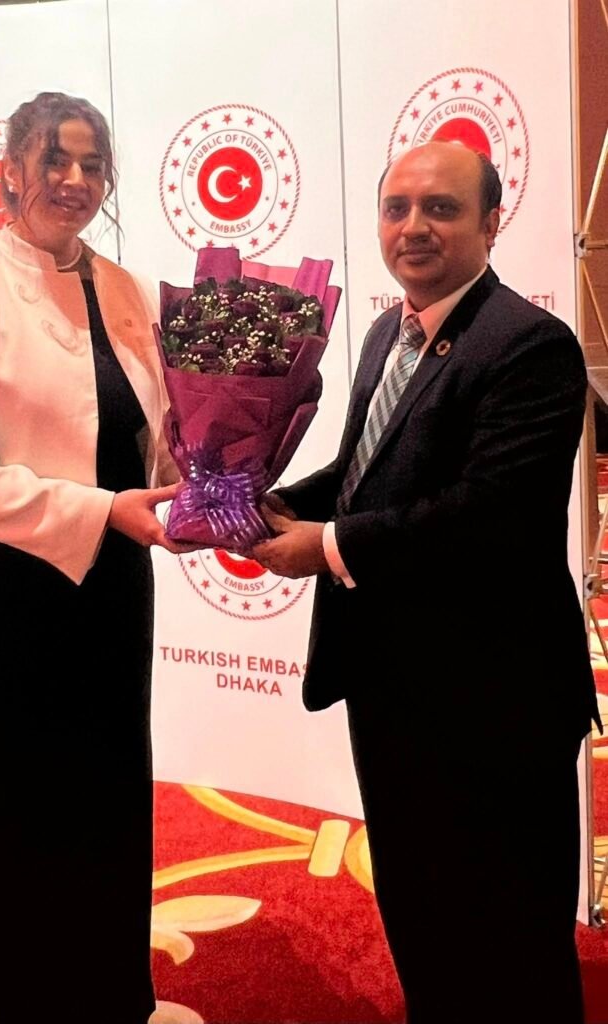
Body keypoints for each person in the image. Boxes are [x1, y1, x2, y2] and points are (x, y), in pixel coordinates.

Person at [253, 140, 600, 1024]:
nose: (413, 227)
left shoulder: (528, 343)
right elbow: (364, 471)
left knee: (510, 939)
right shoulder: (388, 330)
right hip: (390, 682)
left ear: (490, 222)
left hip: (494, 699)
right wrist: (263, 504)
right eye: (396, 208)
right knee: (423, 915)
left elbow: (490, 517)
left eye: (440, 208)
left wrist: (328, 545)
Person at [0, 91, 185, 1024]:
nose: (74, 180)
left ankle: (109, 994)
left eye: (91, 165)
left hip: (114, 579)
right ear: (8, 175)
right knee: (21, 801)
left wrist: (202, 481)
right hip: (10, 592)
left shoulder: (128, 288)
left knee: (110, 789)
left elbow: (145, 435)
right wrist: (102, 511)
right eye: (54, 162)